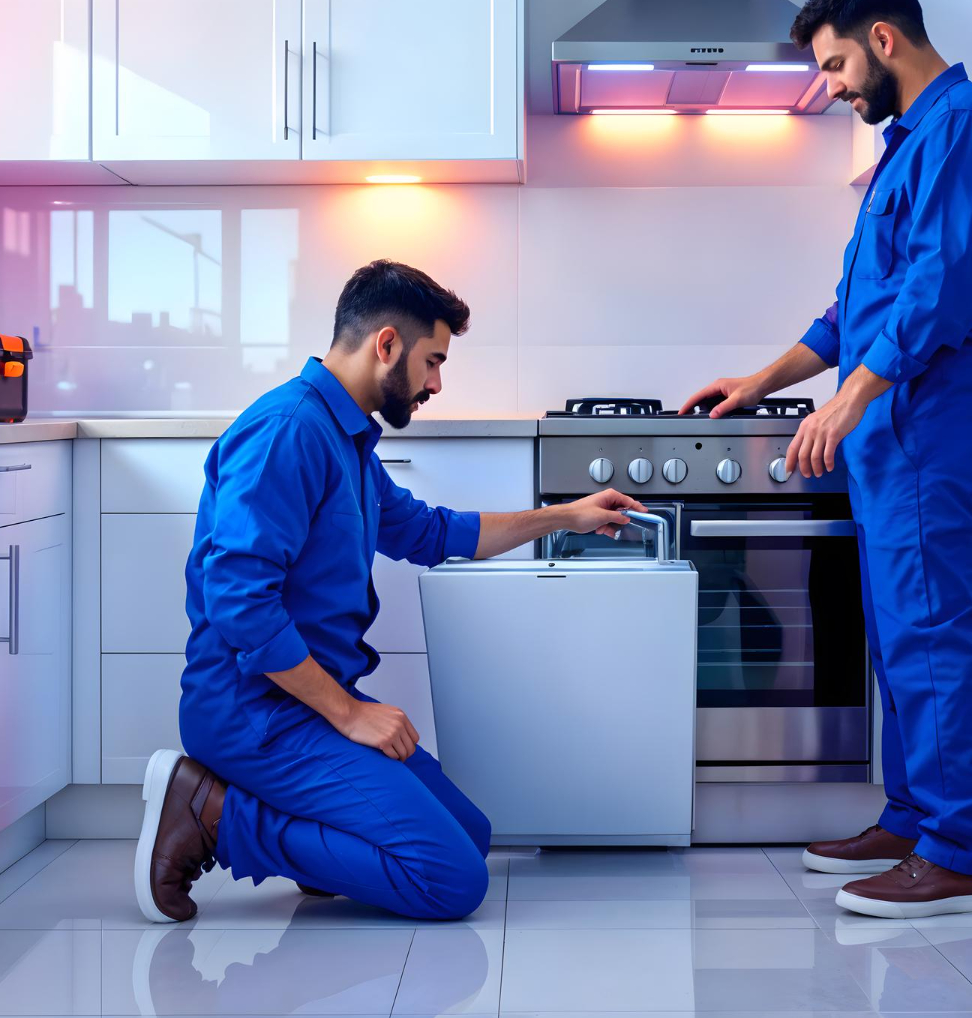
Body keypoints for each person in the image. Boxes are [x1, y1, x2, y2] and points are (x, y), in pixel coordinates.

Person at [136, 259, 645, 923]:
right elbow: (239, 600)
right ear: (386, 344)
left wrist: (564, 516)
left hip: (304, 705)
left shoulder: (345, 438)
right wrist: (350, 714)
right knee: (451, 880)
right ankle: (213, 814)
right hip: (253, 714)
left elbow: (433, 532)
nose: (436, 383)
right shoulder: (289, 431)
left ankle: (323, 842)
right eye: (433, 361)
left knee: (470, 836)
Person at [681, 0, 972, 920]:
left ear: (883, 38)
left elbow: (940, 293)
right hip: (893, 420)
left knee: (932, 634)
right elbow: (856, 309)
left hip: (932, 413)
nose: (831, 85)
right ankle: (915, 819)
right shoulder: (907, 147)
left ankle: (959, 852)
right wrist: (763, 382)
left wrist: (850, 402)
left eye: (835, 65)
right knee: (897, 633)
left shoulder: (964, 129)